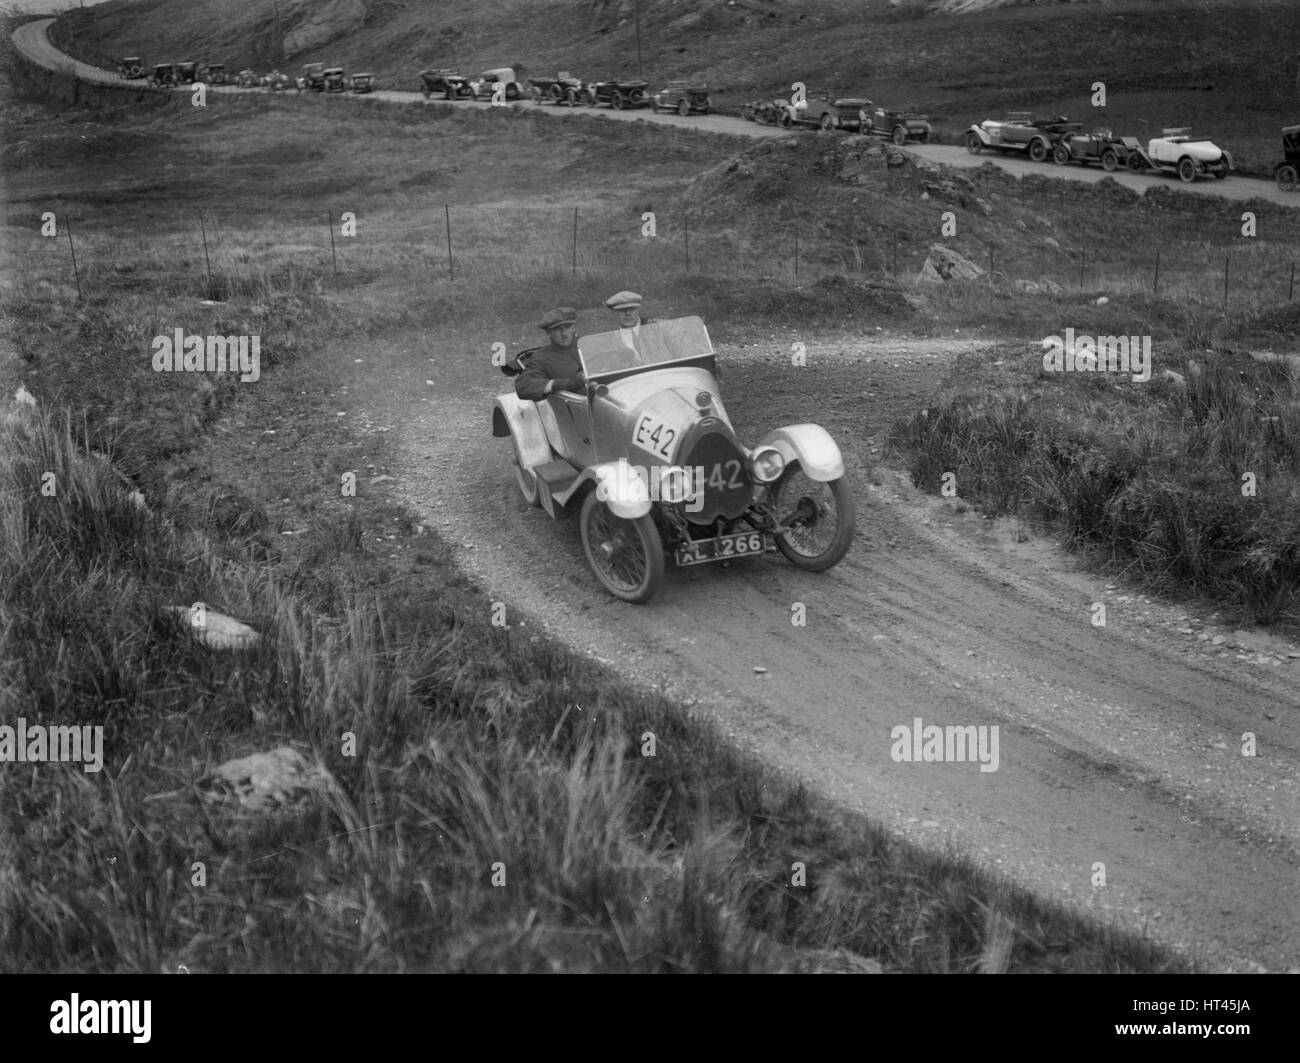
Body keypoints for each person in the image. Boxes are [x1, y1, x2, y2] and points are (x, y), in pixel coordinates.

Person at [514, 307, 586, 400]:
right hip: (576, 407)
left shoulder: (589, 345)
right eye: (557, 329)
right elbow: (523, 386)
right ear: (548, 333)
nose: (564, 333)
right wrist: (563, 384)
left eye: (567, 327)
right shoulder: (542, 358)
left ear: (573, 327)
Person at [605, 291, 652, 356]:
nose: (628, 313)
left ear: (638, 309)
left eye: (632, 309)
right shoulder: (607, 340)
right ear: (613, 312)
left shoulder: (659, 328)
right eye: (622, 310)